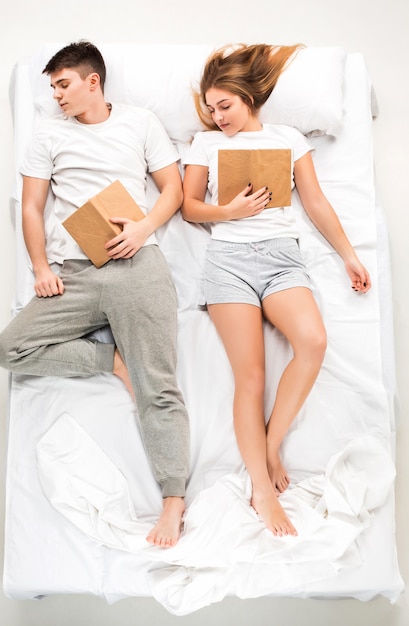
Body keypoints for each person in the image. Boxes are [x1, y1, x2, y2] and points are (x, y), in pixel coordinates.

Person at [0, 40, 190, 548]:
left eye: (63, 84)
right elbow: (32, 208)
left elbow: (173, 189)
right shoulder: (48, 135)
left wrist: (143, 228)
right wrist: (40, 267)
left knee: (159, 386)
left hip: (135, 263)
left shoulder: (140, 122)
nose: (56, 95)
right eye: (52, 87)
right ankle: (111, 362)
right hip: (74, 272)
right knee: (9, 349)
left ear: (92, 81)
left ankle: (173, 501)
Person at [182, 43, 371, 537]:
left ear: (249, 98)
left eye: (225, 106)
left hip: (282, 259)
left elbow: (315, 200)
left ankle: (268, 447)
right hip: (228, 264)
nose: (217, 116)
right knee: (252, 376)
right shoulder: (205, 145)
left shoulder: (286, 138)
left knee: (313, 342)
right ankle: (262, 490)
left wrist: (350, 254)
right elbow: (189, 207)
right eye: (211, 108)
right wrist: (229, 212)